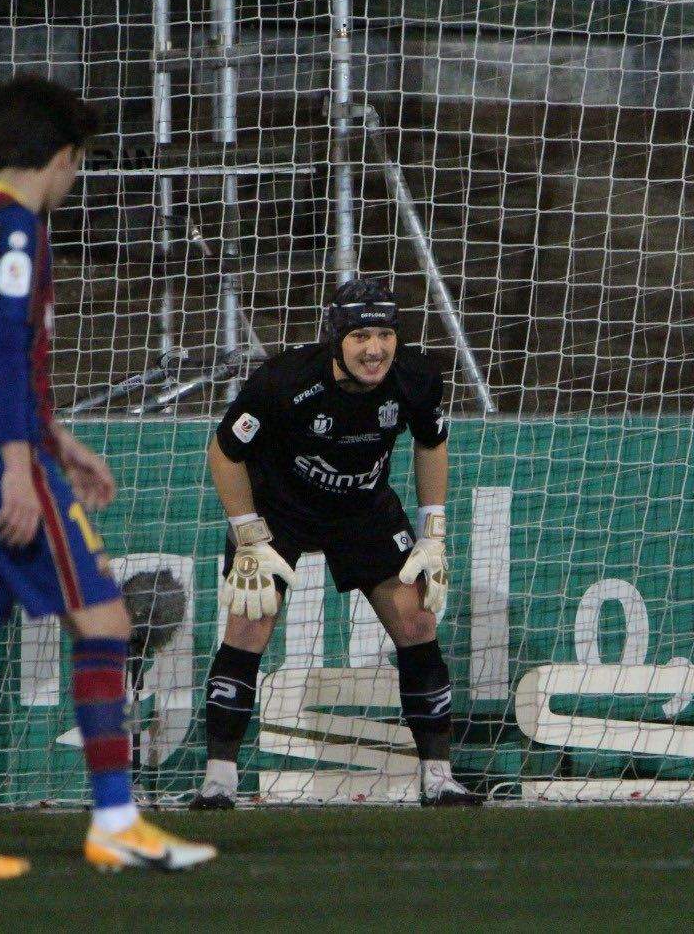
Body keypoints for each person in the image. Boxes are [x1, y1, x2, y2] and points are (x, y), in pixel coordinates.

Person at [0, 75, 214, 879]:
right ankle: (116, 821)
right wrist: (22, 462)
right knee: (104, 622)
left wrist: (58, 438)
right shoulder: (16, 229)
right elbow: (4, 348)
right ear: (66, 156)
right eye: (80, 162)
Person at [191, 277, 481, 809]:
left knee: (417, 622)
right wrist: (248, 536)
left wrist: (434, 531)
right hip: (279, 512)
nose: (375, 349)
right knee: (248, 625)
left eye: (385, 335)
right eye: (360, 336)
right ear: (336, 339)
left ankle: (440, 778)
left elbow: (432, 442)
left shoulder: (416, 377)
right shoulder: (284, 380)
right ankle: (219, 781)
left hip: (364, 510)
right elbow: (225, 452)